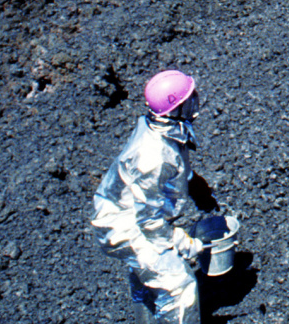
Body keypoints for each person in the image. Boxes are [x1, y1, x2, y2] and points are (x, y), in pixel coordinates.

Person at [90, 68, 212, 324]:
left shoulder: (162, 127)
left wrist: (195, 183)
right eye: (189, 99)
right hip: (125, 226)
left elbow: (176, 162)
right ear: (176, 109)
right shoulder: (153, 157)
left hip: (128, 214)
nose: (196, 101)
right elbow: (148, 221)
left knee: (148, 275)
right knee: (179, 286)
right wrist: (180, 241)